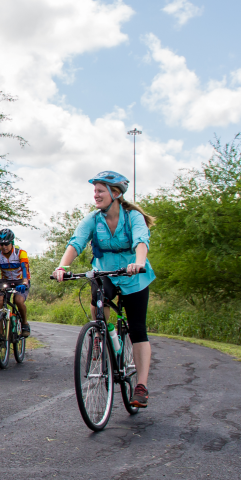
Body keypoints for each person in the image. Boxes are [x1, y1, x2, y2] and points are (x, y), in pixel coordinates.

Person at [52, 171, 156, 407]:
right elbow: (76, 242)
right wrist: (62, 266)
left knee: (138, 329)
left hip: (133, 276)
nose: (96, 195)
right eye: (95, 191)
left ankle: (141, 386)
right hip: (105, 272)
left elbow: (141, 241)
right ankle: (102, 333)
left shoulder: (133, 217)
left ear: (115, 193)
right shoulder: (93, 218)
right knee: (97, 297)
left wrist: (139, 263)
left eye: (100, 191)